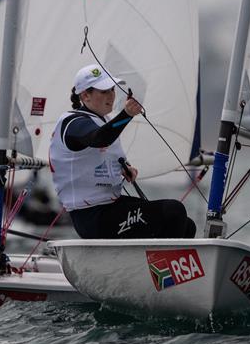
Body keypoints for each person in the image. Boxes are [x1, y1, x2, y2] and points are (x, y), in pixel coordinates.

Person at [49, 64, 197, 239]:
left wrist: (123, 169)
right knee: (173, 211)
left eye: (112, 89)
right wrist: (126, 114)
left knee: (187, 225)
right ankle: (164, 265)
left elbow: (101, 153)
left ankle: (155, 263)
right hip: (92, 217)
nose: (111, 95)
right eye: (104, 91)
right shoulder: (73, 123)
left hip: (110, 207)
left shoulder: (102, 121)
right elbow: (99, 139)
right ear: (85, 95)